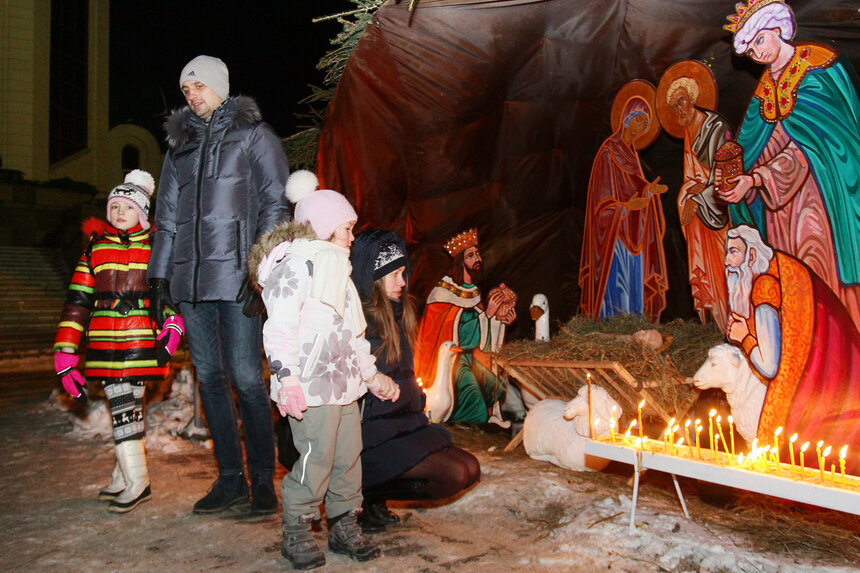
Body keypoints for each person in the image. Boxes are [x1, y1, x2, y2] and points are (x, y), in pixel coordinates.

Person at [147, 56, 290, 515]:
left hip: (237, 281)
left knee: (248, 378)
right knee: (209, 379)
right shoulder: (179, 147)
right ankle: (230, 479)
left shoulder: (254, 136)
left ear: (220, 87)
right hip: (191, 284)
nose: (191, 94)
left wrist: (259, 269)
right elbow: (166, 217)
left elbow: (274, 204)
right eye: (186, 88)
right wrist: (160, 276)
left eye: (199, 85)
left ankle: (263, 482)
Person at [249, 170, 399, 570]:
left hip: (346, 388)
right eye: (346, 230)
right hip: (311, 389)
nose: (352, 238)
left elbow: (355, 334)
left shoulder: (341, 275)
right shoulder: (296, 268)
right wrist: (287, 379)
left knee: (349, 457)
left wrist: (371, 376)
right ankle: (296, 529)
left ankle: (344, 524)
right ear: (324, 228)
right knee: (316, 457)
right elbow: (278, 328)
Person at [719, 0, 860, 331]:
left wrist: (755, 180)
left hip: (819, 200)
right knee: (791, 275)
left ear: (777, 30)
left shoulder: (818, 67)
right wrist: (732, 174)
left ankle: (841, 353)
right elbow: (753, 144)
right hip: (778, 208)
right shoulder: (765, 87)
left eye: (759, 41)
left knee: (819, 269)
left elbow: (818, 143)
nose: (757, 52)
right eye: (750, 49)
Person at [54, 170, 185, 513]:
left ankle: (135, 480)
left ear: (142, 212)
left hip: (141, 340)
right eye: (114, 207)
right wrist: (65, 353)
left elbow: (168, 293)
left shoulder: (156, 248)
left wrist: (172, 326)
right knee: (124, 409)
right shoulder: (95, 249)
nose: (119, 213)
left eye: (127, 207)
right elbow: (77, 301)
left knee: (126, 410)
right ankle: (128, 475)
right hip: (104, 342)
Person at [350, 230, 481, 533]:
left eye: (403, 273)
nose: (403, 282)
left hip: (404, 427)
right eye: (394, 275)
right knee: (453, 475)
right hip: (373, 438)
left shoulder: (400, 315)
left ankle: (374, 496)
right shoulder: (359, 323)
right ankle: (366, 495)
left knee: (471, 469)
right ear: (373, 277)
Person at [724, 225, 860, 474]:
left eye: (734, 253)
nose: (727, 262)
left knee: (799, 457)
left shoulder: (766, 287)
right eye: (727, 253)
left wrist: (744, 338)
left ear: (751, 256)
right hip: (841, 368)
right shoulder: (779, 269)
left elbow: (769, 365)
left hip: (819, 383)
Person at [578, 95, 669, 321]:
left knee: (633, 287)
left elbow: (636, 189)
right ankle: (611, 326)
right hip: (614, 237)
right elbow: (600, 205)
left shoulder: (632, 155)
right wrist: (626, 208)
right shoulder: (608, 153)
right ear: (626, 118)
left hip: (634, 235)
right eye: (639, 120)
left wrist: (649, 192)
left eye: (646, 124)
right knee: (618, 287)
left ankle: (633, 327)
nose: (641, 127)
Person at [414, 229, 516, 425]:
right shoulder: (441, 292)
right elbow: (457, 330)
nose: (477, 259)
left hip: (470, 357)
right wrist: (487, 315)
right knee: (477, 410)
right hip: (452, 364)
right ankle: (461, 422)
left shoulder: (474, 291)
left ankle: (488, 416)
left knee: (498, 388)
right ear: (460, 261)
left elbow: (482, 324)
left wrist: (500, 319)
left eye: (477, 254)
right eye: (471, 255)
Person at [660, 67, 732, 332]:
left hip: (717, 218)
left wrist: (699, 197)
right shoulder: (690, 131)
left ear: (692, 100)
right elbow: (694, 179)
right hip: (700, 222)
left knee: (724, 267)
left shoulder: (715, 128)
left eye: (682, 103)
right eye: (674, 107)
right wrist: (691, 194)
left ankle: (731, 325)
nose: (679, 110)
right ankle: (713, 327)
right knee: (706, 273)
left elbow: (725, 174)